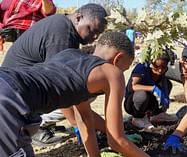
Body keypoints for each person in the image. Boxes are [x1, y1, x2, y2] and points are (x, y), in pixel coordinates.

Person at [0, 31, 149, 157]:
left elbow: (84, 118)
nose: (122, 72)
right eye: (125, 68)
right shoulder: (112, 73)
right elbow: (116, 140)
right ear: (118, 59)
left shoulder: (71, 56)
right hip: (11, 98)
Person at [1, 3, 107, 146]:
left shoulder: (63, 26)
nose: (94, 37)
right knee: (79, 93)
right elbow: (62, 88)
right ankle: (34, 125)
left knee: (85, 93)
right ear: (78, 17)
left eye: (98, 34)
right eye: (91, 30)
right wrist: (87, 129)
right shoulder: (61, 35)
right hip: (14, 94)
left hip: (16, 86)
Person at [124, 49, 178, 130]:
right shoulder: (142, 67)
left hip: (149, 102)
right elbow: (132, 87)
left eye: (163, 67)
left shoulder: (163, 72)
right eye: (156, 67)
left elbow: (164, 85)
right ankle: (138, 118)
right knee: (142, 94)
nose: (159, 71)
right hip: (133, 103)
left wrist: (165, 97)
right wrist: (152, 88)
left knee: (168, 83)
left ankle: (157, 114)